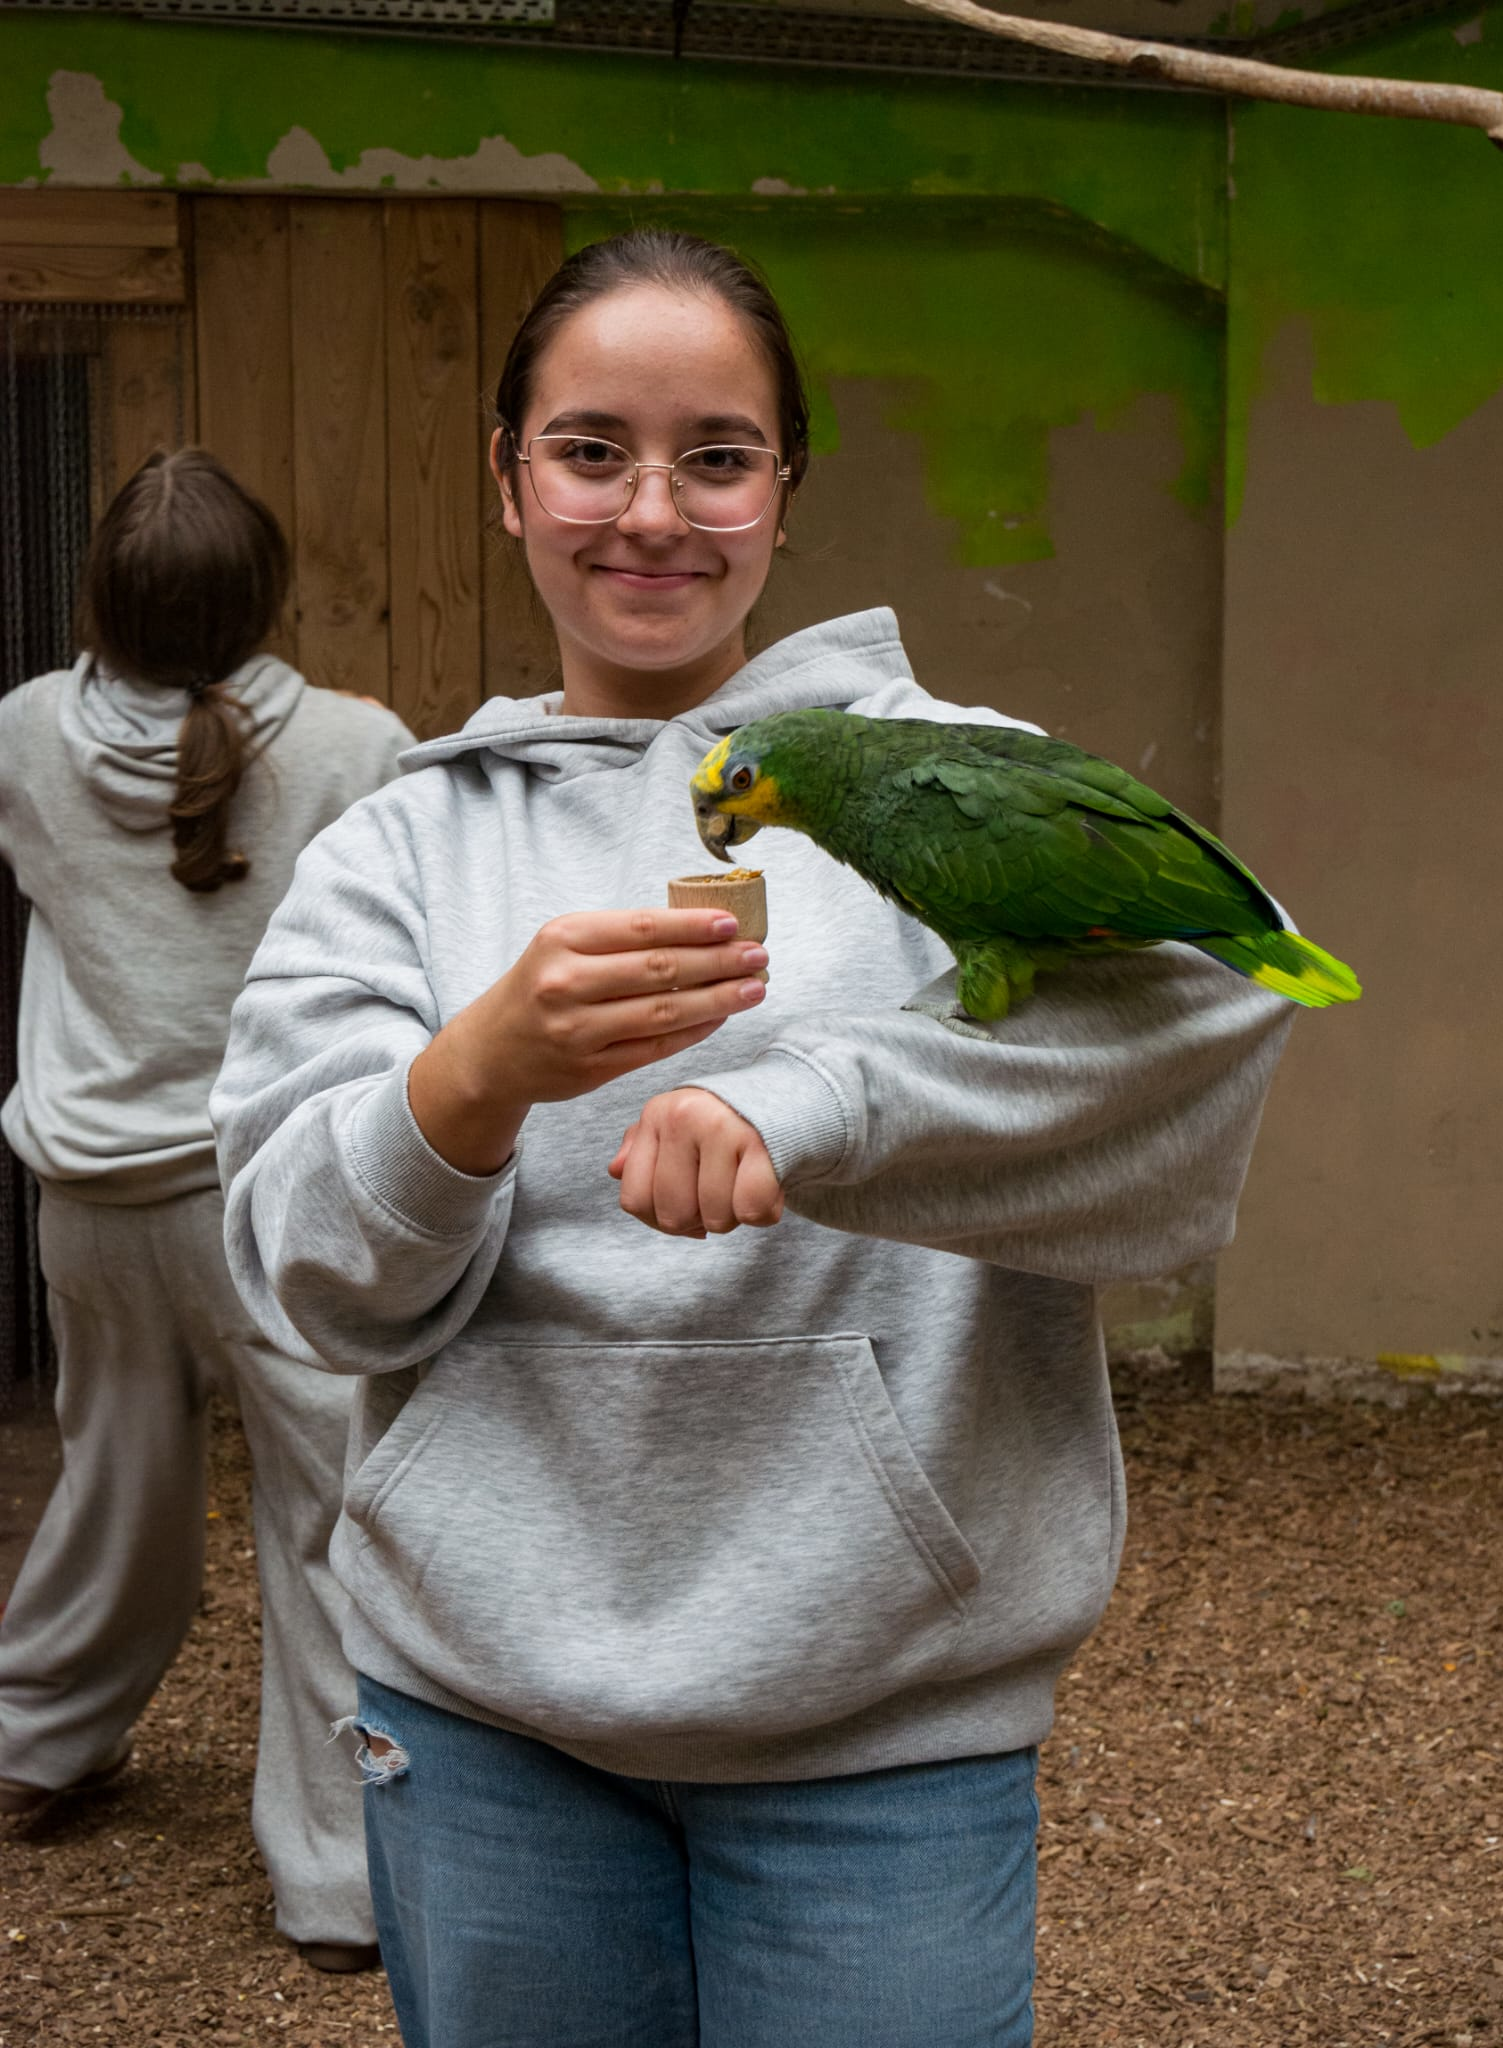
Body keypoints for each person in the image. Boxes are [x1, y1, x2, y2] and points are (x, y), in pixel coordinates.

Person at [212, 230, 1294, 2046]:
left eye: (716, 455)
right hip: (484, 1724)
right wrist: (471, 1081)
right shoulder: (398, 849)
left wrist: (819, 1099)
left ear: (786, 490)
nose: (653, 511)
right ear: (510, 479)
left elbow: (1214, 1024)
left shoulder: (963, 770)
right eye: (590, 451)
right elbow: (302, 1282)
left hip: (887, 1732)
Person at [0, 448, 416, 1975]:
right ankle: (340, 1887)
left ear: (98, 599)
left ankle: (31, 1744)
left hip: (90, 1202)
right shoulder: (360, 746)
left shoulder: (18, 735)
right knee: (327, 1525)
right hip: (270, 1211)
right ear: (267, 597)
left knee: (116, 1485)